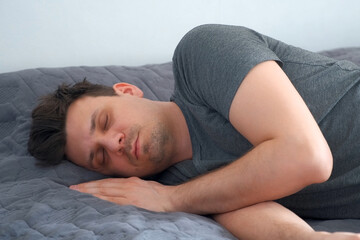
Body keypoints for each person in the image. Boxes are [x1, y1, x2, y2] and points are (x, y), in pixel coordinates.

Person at [28, 24, 360, 239]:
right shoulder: (184, 188)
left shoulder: (201, 55)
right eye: (99, 157)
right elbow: (246, 204)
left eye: (103, 122)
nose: (114, 143)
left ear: (127, 91)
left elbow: (306, 156)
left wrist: (173, 200)